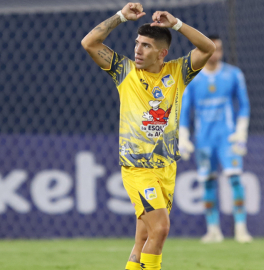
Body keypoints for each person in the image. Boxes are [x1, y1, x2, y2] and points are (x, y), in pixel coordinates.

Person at [81, 3, 215, 269]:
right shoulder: (125, 71)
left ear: (162, 53)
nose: (137, 50)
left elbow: (207, 48)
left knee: (143, 237)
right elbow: (89, 42)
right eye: (137, 43)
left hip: (166, 168)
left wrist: (176, 24)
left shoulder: (177, 72)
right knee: (161, 228)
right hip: (137, 168)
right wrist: (120, 17)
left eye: (146, 46)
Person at [179, 34, 252, 243]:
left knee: (235, 178)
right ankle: (213, 230)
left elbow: (244, 105)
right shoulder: (193, 78)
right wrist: (183, 137)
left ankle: (240, 229)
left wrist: (241, 132)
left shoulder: (233, 74)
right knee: (208, 182)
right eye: (212, 49)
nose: (216, 54)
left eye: (219, 49)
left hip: (227, 137)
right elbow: (185, 111)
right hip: (204, 139)